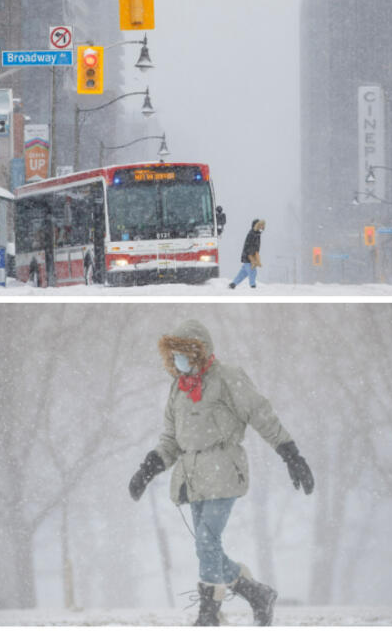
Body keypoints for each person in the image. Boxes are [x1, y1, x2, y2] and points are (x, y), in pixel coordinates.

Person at [128, 319, 314, 626]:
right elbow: (171, 440)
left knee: (206, 542)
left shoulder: (228, 378)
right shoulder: (178, 387)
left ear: (197, 352)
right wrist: (147, 469)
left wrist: (290, 454)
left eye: (182, 353)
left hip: (224, 469)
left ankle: (209, 615)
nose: (177, 360)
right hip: (192, 477)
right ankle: (255, 593)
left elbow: (261, 414)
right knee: (206, 547)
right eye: (173, 354)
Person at [229, 219, 265, 289]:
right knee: (252, 271)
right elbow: (249, 245)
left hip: (248, 256)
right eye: (260, 226)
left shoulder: (256, 234)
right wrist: (252, 257)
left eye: (262, 226)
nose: (262, 228)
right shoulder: (252, 234)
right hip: (249, 256)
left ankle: (233, 284)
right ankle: (253, 286)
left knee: (243, 272)